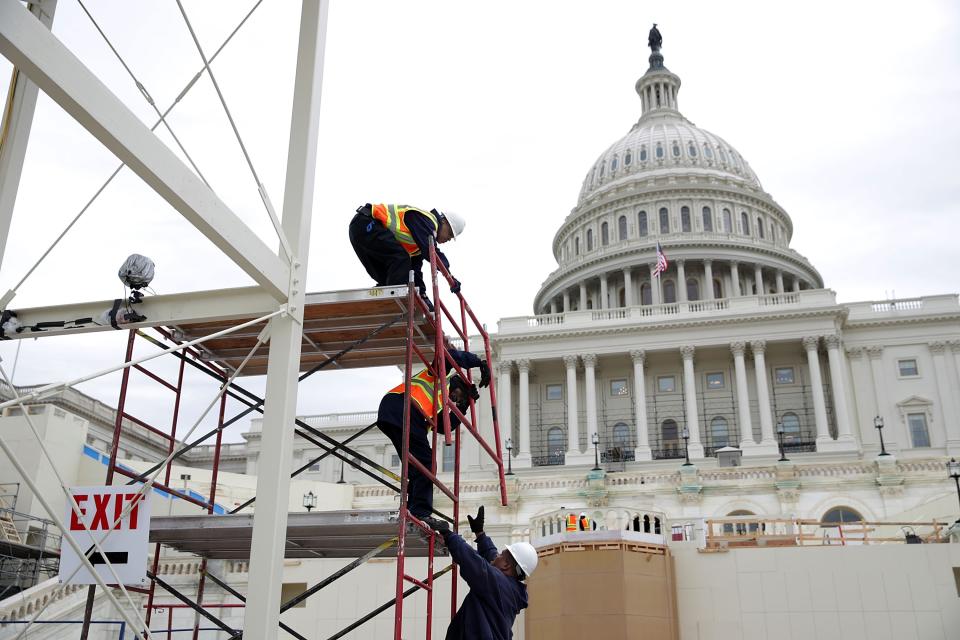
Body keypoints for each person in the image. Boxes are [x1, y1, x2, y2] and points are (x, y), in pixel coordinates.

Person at [377, 348, 490, 521]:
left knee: (417, 467)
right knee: (427, 465)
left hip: (396, 413)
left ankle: (410, 510)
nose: (456, 400)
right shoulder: (438, 376)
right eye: (459, 396)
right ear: (456, 384)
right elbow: (448, 355)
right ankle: (420, 513)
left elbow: (445, 428)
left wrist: (465, 406)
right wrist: (478, 362)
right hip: (404, 407)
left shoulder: (440, 402)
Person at [430, 506, 538, 640]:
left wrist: (449, 535)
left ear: (506, 565)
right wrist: (480, 535)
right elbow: (491, 558)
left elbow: (474, 563)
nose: (496, 555)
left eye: (500, 555)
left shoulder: (497, 584)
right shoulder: (508, 587)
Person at [349, 203, 467, 309]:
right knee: (400, 259)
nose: (449, 239)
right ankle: (395, 303)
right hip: (366, 222)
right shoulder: (427, 221)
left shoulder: (419, 241)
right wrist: (449, 275)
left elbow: (414, 270)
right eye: (450, 234)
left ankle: (385, 303)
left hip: (361, 232)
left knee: (393, 275)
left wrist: (423, 296)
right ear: (444, 221)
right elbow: (431, 252)